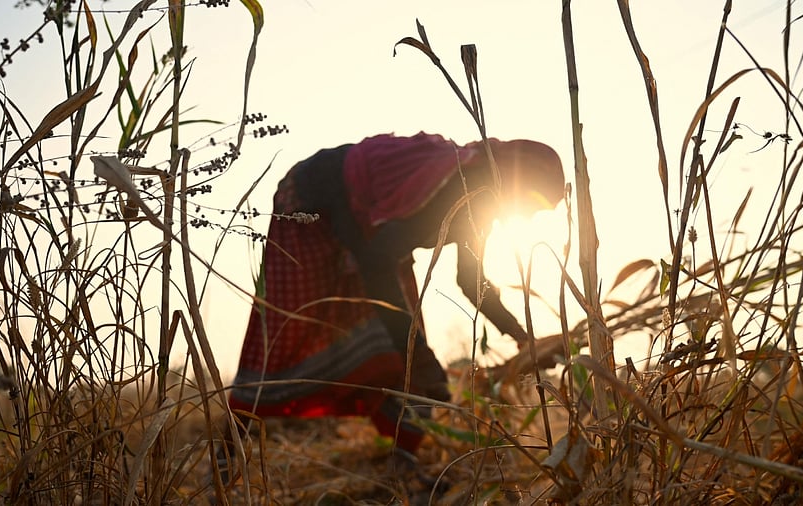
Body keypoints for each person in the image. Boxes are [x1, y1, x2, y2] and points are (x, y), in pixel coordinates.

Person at [223, 132, 564, 467]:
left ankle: (403, 469)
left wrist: (525, 340)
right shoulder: (450, 188)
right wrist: (417, 352)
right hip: (315, 200)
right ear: (514, 183)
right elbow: (376, 262)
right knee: (287, 333)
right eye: (532, 203)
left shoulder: (479, 207)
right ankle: (225, 455)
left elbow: (471, 281)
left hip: (373, 235)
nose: (530, 217)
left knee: (404, 354)